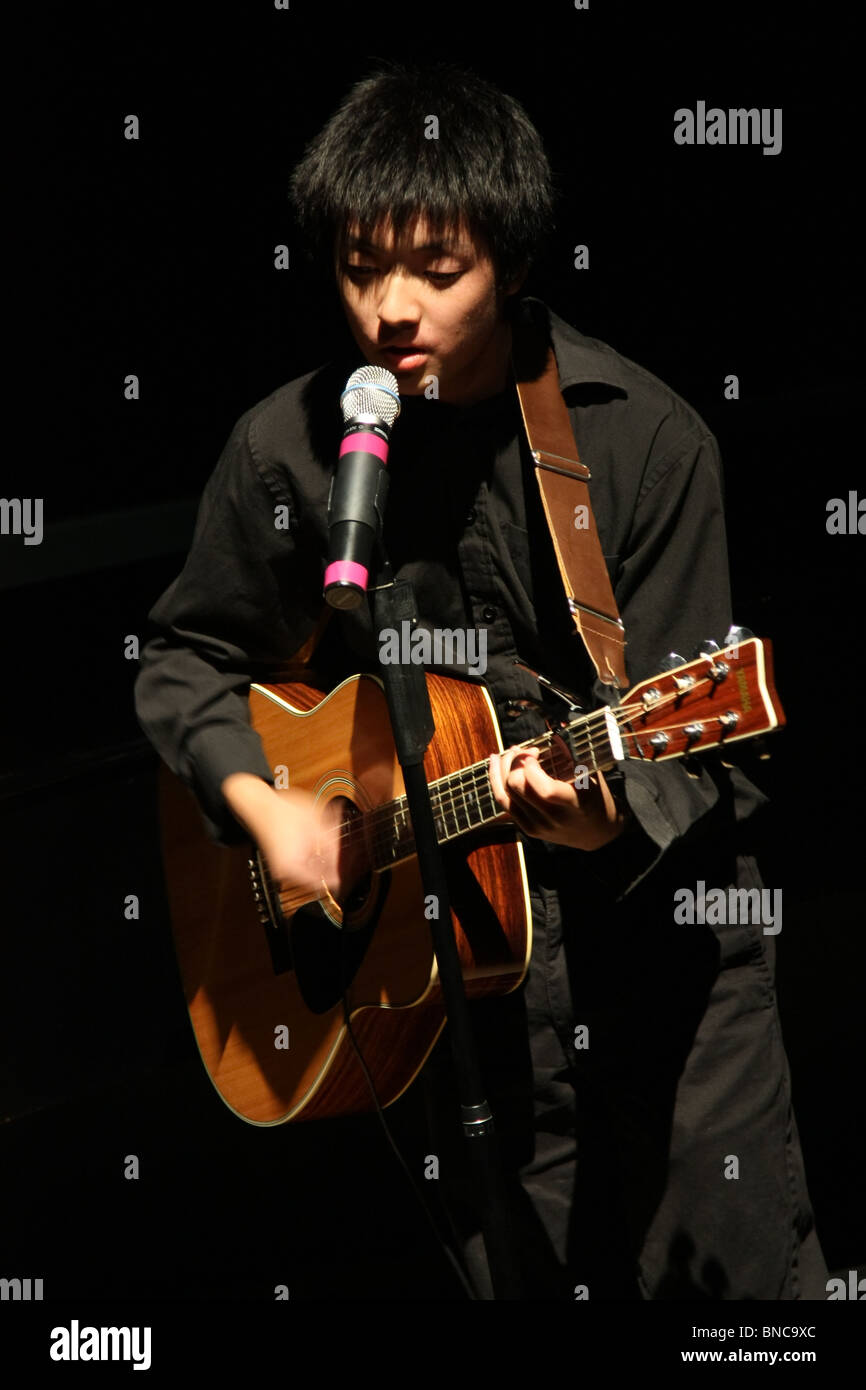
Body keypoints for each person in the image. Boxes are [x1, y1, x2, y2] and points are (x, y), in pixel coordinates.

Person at [135, 61, 827, 1301]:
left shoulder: (642, 439)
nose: (387, 310)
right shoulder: (290, 448)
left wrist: (605, 815)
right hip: (453, 1000)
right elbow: (189, 657)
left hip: (665, 987)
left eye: (436, 271)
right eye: (358, 269)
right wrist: (262, 807)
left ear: (508, 264)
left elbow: (703, 747)